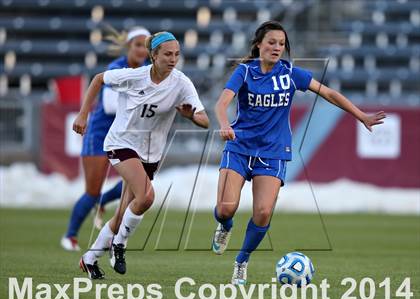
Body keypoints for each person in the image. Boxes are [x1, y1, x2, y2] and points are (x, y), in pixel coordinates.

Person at [211, 21, 386, 285]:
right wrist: (225, 125)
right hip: (239, 146)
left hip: (273, 152)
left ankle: (242, 260)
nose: (277, 48)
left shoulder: (291, 73)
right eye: (272, 42)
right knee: (226, 208)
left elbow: (327, 92)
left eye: (281, 44)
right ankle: (225, 225)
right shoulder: (244, 72)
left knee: (263, 213)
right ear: (259, 44)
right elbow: (222, 103)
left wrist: (360, 115)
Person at [73, 31, 209, 279]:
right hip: (121, 143)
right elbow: (98, 79)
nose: (173, 59)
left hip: (150, 154)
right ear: (153, 55)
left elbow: (205, 120)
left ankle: (89, 259)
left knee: (124, 212)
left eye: (177, 54)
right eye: (167, 54)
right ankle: (120, 245)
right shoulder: (134, 76)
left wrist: (190, 116)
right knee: (146, 197)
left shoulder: (181, 83)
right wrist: (83, 115)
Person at [61, 27, 152, 251]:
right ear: (128, 46)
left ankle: (103, 204)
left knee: (138, 181)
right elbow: (111, 106)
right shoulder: (115, 69)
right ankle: (70, 235)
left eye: (145, 46)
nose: (141, 50)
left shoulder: (147, 72)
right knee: (92, 190)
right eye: (137, 45)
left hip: (125, 136)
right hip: (100, 133)